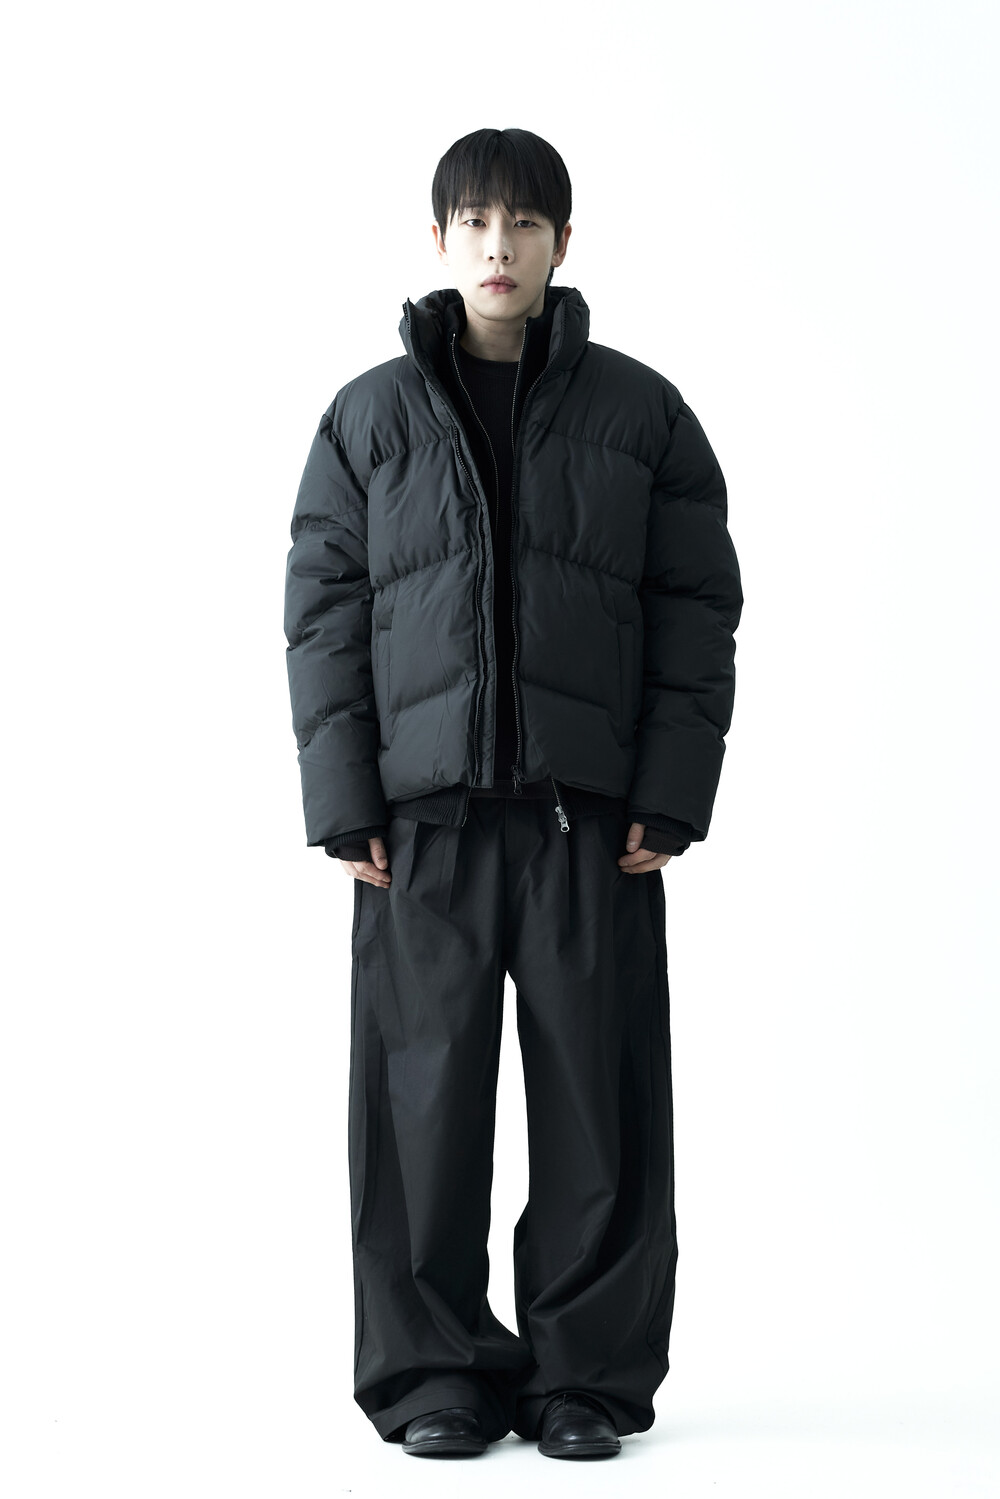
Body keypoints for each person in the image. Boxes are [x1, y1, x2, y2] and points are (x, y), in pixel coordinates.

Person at [283, 127, 743, 1461]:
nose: (500, 246)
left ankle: (584, 1381)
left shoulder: (642, 414)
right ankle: (432, 1375)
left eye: (526, 223)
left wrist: (672, 790)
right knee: (416, 1112)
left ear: (562, 242)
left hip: (586, 823)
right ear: (439, 240)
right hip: (418, 830)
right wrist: (344, 799)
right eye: (477, 222)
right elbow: (323, 614)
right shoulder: (369, 418)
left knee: (602, 1105)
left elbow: (696, 607)